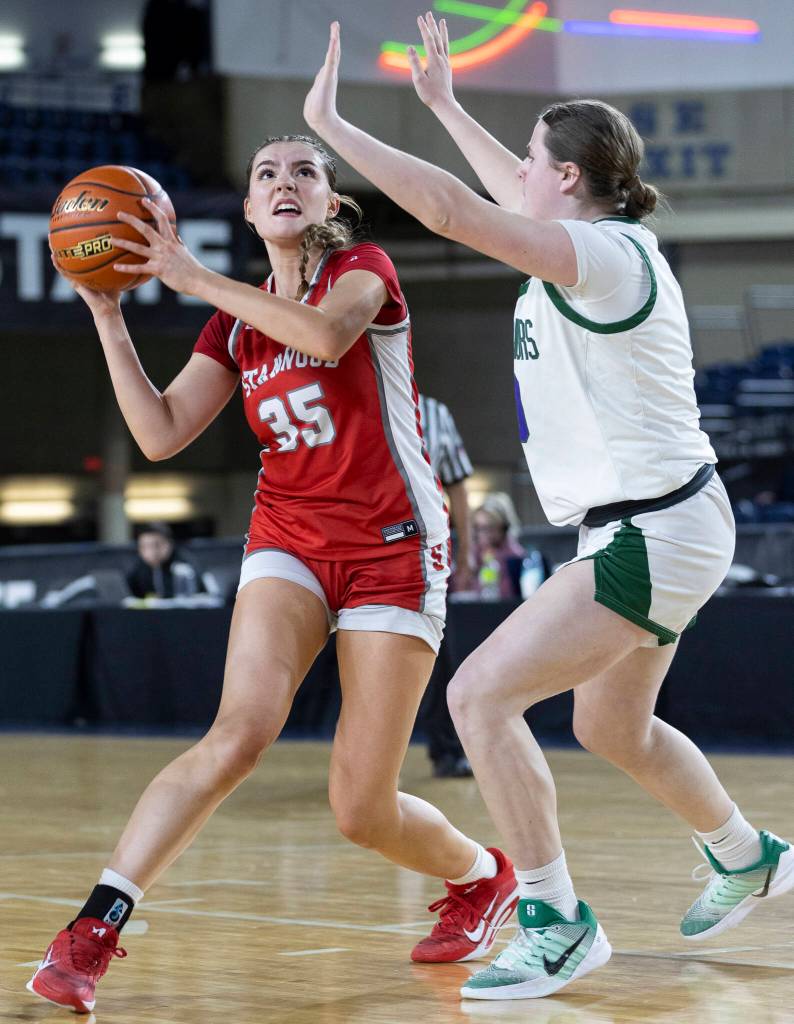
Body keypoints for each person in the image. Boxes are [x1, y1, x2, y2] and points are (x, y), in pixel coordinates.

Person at [303, 18, 794, 1001]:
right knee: (612, 726)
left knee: (479, 697)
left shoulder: (601, 256)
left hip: (647, 526)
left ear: (564, 178)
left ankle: (554, 918)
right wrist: (443, 104)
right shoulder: (594, 242)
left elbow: (448, 208)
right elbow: (493, 192)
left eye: (530, 157)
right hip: (662, 520)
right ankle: (744, 853)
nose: (517, 170)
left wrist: (334, 125)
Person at [28, 134, 520, 1013]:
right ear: (251, 212)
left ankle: (485, 877)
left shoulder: (363, 270)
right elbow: (160, 433)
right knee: (237, 733)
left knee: (360, 810)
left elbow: (328, 339)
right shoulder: (232, 322)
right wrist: (108, 315)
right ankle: (92, 931)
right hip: (288, 537)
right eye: (265, 174)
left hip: (393, 549)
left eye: (305, 171)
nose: (284, 182)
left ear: (330, 203)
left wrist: (191, 277)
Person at [417, 392, 474, 776]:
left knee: (441, 659)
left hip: (424, 554)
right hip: (357, 545)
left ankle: (447, 749)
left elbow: (457, 488)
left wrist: (467, 552)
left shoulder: (435, 411)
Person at [126, 521, 208, 600]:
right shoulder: (138, 567)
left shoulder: (184, 565)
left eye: (156, 545)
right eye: (144, 546)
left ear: (169, 544)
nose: (151, 552)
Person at [471, 493, 526, 600]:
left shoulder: (515, 556)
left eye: (487, 528)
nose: (481, 534)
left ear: (502, 528)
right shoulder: (474, 553)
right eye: (477, 528)